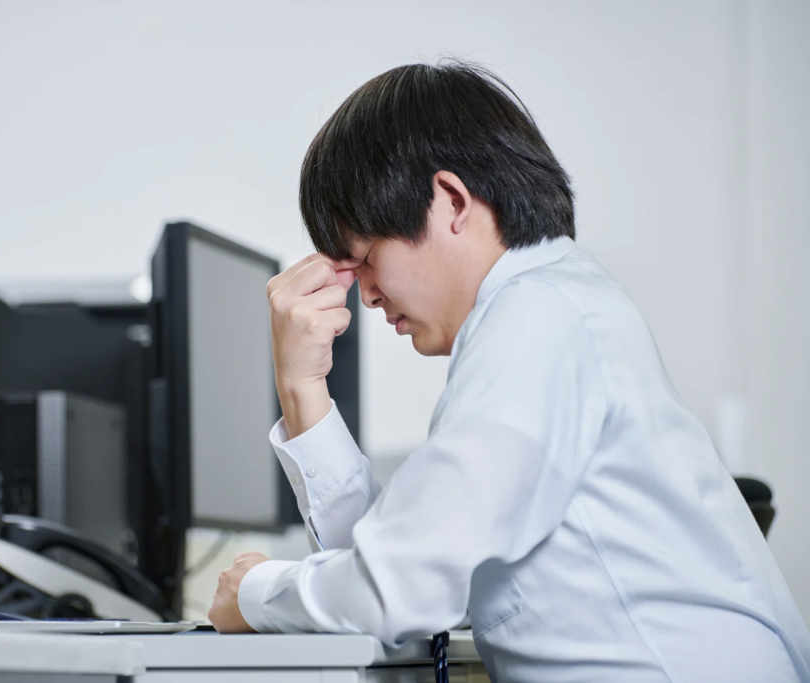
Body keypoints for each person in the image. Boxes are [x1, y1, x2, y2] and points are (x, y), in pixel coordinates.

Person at [207, 60, 810, 681]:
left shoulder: (538, 318)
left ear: (451, 201)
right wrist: (304, 390)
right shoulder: (546, 309)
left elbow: (400, 588)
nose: (365, 297)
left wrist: (257, 592)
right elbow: (398, 559)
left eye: (363, 259)